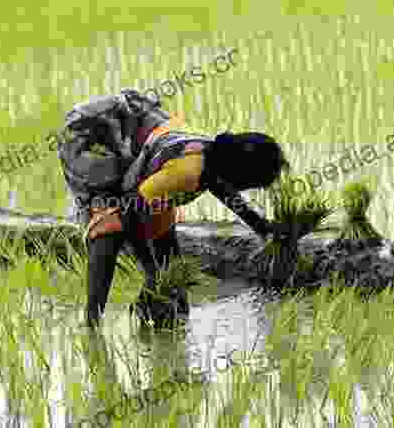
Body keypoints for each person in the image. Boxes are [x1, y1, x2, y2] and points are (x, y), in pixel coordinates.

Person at [57, 89, 292, 330]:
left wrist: (263, 228)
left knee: (169, 262)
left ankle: (161, 312)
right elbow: (130, 212)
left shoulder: (212, 159)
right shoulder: (186, 172)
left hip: (143, 149)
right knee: (109, 227)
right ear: (239, 173)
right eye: (248, 184)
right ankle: (92, 322)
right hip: (92, 135)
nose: (243, 190)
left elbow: (223, 191)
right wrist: (152, 276)